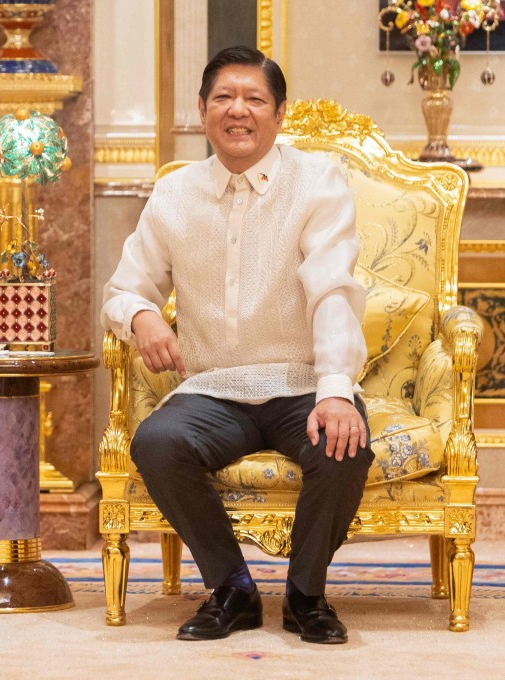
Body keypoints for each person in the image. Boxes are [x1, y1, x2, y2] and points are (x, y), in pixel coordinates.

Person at [101, 46, 374, 645]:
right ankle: (232, 589)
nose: (238, 110)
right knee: (157, 441)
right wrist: (143, 316)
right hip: (212, 391)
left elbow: (332, 288)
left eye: (254, 99)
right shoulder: (175, 193)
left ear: (280, 113)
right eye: (223, 97)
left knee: (344, 445)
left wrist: (335, 390)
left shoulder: (317, 181)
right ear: (202, 109)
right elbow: (124, 289)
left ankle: (306, 596)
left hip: (300, 382)